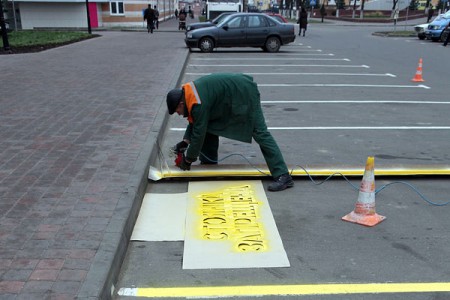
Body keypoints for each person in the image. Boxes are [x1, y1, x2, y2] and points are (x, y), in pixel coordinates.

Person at [166, 73, 294, 192]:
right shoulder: (190, 94)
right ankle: (208, 165)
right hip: (233, 94)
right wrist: (185, 142)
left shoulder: (197, 101)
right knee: (208, 124)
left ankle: (283, 175)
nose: (178, 113)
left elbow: (199, 131)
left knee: (260, 132)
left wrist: (188, 160)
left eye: (177, 110)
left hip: (244, 93)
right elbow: (195, 121)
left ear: (181, 103)